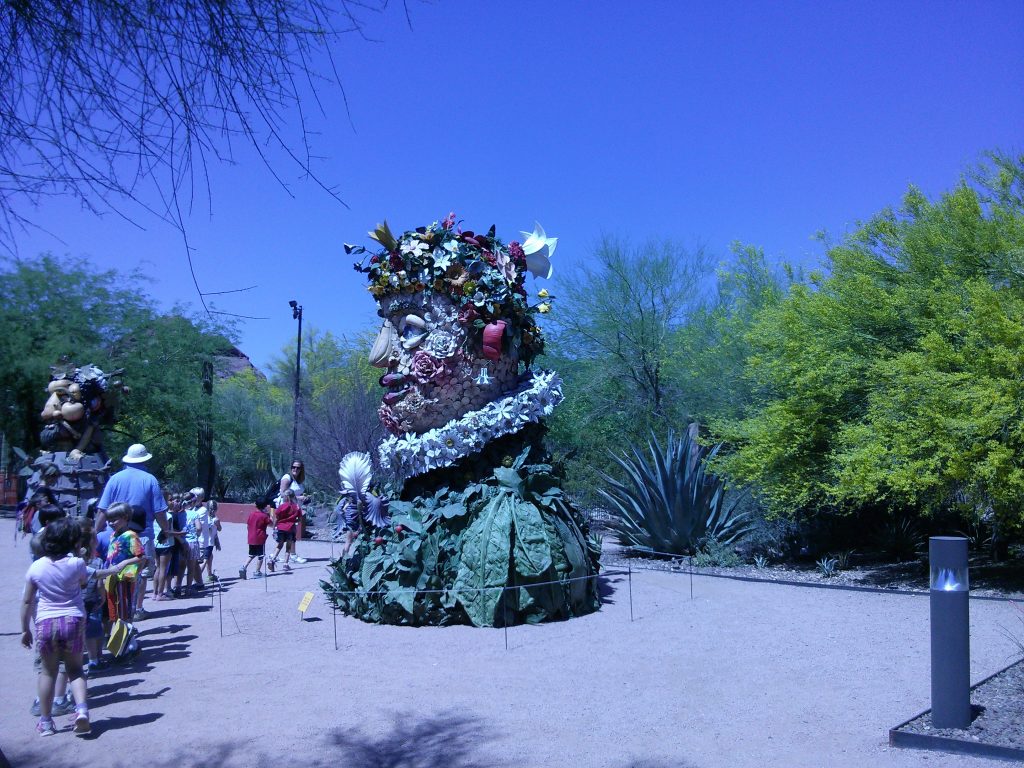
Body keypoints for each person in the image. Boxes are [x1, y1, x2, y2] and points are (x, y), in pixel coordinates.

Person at [21, 518, 94, 736]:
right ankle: (82, 711)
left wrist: (25, 629)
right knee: (75, 669)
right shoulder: (76, 563)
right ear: (73, 542)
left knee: (48, 672)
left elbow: (27, 601)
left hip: (46, 623)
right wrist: (78, 555)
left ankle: (45, 723)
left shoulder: (36, 566)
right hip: (73, 621)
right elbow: (82, 582)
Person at [97, 443, 170, 621]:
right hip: (142, 534)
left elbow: (103, 509)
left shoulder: (115, 479)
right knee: (140, 574)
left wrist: (95, 531)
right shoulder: (150, 480)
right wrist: (165, 530)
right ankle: (136, 608)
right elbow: (160, 510)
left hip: (114, 535)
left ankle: (114, 609)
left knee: (114, 569)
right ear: (145, 459)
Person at [102, 502, 145, 658]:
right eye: (109, 520)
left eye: (115, 519)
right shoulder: (114, 535)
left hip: (125, 580)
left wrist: (126, 562)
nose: (111, 523)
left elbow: (141, 557)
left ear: (126, 518)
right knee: (116, 613)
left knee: (125, 612)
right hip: (112, 578)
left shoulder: (131, 535)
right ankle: (128, 645)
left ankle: (128, 648)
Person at [277, 460, 309, 563]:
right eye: (293, 467)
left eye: (298, 468)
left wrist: (303, 498)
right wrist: (299, 497)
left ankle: (287, 555)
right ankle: (290, 555)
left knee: (290, 532)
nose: (295, 469)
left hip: (294, 509)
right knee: (288, 532)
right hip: (286, 510)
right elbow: (283, 494)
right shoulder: (287, 478)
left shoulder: (298, 480)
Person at [239, 499, 272, 579]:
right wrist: (269, 515)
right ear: (264, 506)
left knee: (251, 554)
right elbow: (271, 524)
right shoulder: (264, 516)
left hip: (251, 537)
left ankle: (243, 567)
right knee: (261, 555)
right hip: (260, 538)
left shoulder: (251, 514)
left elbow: (248, 525)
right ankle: (257, 572)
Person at [268, 489, 300, 572]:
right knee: (288, 547)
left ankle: (272, 559)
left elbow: (276, 518)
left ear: (285, 497)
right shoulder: (296, 507)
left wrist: (274, 527)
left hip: (281, 528)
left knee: (279, 545)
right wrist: (294, 521)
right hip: (291, 528)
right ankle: (285, 564)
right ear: (293, 496)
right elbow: (299, 518)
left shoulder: (282, 506)